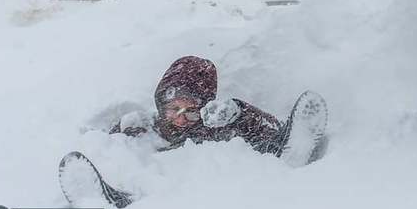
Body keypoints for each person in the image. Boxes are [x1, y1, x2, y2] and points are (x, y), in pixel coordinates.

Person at [109, 56, 327, 166]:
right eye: (174, 109)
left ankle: (291, 156)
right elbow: (107, 149)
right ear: (161, 104)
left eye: (191, 111)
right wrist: (119, 132)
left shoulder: (213, 128)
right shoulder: (144, 127)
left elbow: (270, 132)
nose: (181, 119)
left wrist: (241, 113)